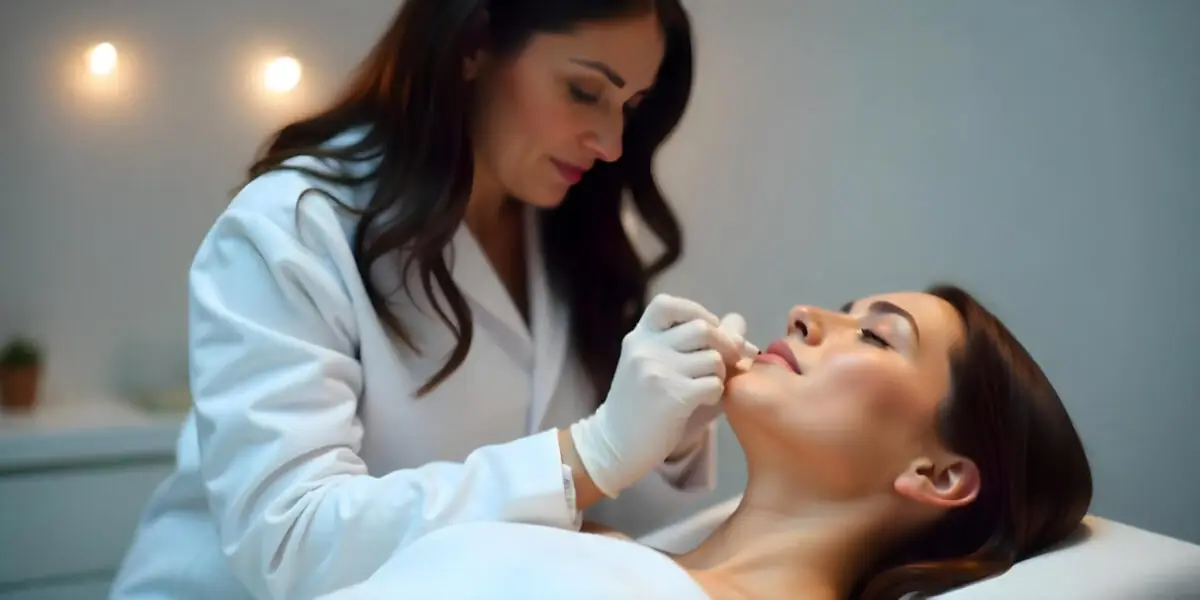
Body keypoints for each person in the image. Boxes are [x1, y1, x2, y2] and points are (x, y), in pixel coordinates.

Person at [111, 2, 757, 599]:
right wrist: (587, 455)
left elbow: (612, 543)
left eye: (631, 106)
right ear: (472, 46)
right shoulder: (297, 227)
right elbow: (291, 543)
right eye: (585, 91)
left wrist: (665, 437)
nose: (611, 143)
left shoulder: (574, 238)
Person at [315, 285, 1095, 600]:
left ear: (937, 474)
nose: (805, 314)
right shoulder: (619, 555)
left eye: (877, 336)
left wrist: (595, 458)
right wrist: (591, 458)